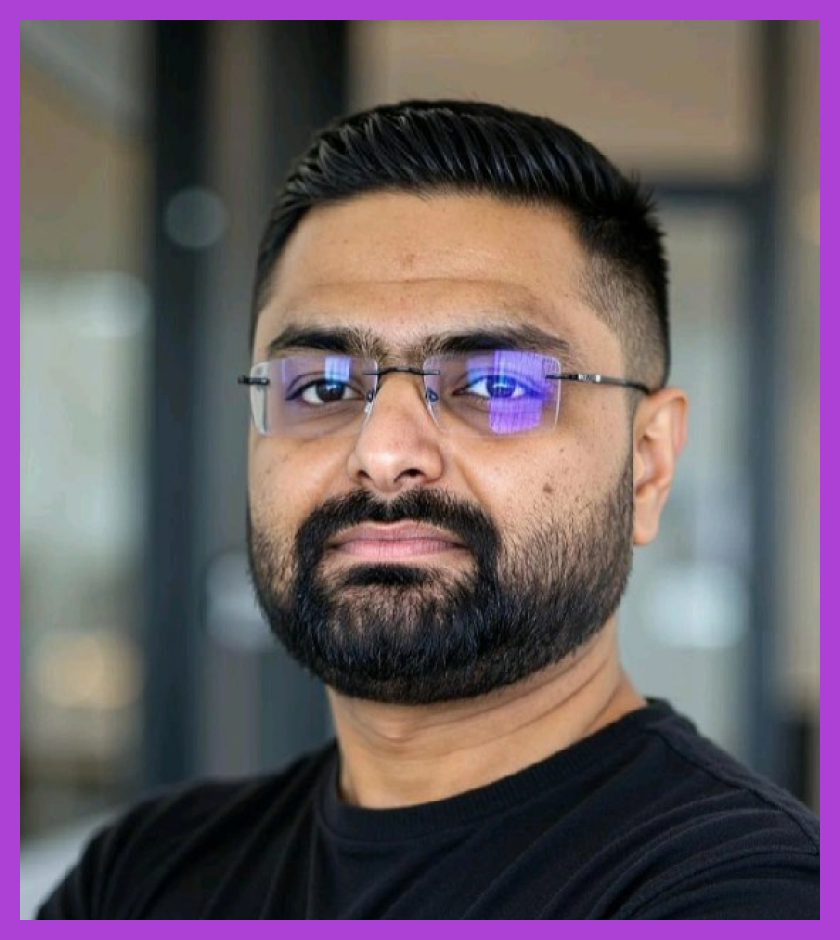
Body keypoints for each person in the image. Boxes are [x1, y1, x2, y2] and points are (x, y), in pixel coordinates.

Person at [38, 99, 819, 919]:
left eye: (497, 383)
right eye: (322, 388)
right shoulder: (145, 876)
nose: (383, 452)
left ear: (648, 465)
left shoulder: (746, 896)